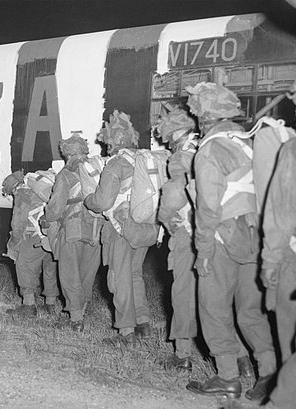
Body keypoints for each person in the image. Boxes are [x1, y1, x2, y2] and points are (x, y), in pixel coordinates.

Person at [184, 82, 276, 401]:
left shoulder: (210, 149)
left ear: (203, 117)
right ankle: (268, 372)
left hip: (224, 236)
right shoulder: (249, 142)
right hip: (257, 235)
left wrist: (204, 251)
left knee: (214, 306)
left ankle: (227, 377)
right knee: (251, 310)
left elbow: (208, 207)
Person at [84, 111, 155, 344]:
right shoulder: (144, 159)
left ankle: (126, 331)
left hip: (120, 228)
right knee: (135, 274)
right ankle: (143, 321)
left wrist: (89, 200)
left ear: (112, 141)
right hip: (143, 227)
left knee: (118, 277)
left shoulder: (116, 164)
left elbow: (103, 202)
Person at [259, 81, 296, 409]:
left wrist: (269, 265)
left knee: (292, 343)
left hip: (295, 257)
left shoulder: (295, 150)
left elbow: (280, 214)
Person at [44, 133, 102, 332]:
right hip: (96, 229)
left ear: (66, 153)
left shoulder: (66, 174)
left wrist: (47, 219)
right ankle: (82, 310)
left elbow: (55, 207)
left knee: (70, 273)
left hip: (72, 228)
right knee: (87, 272)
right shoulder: (97, 170)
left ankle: (76, 319)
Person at [155, 108, 199, 369]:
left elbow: (171, 199)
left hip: (188, 233)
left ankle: (182, 354)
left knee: (183, 292)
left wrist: (164, 218)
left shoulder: (181, 157)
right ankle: (240, 361)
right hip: (220, 233)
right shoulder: (205, 149)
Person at [3, 170, 59, 317]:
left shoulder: (22, 192)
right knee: (50, 268)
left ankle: (28, 306)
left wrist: (14, 243)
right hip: (51, 235)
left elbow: (18, 222)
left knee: (23, 265)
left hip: (34, 237)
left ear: (13, 187)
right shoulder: (43, 188)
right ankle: (50, 304)